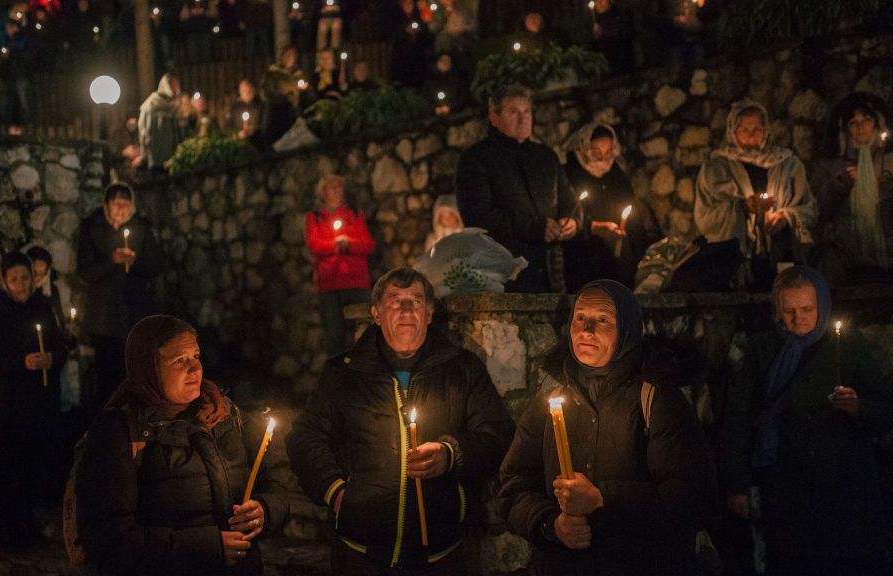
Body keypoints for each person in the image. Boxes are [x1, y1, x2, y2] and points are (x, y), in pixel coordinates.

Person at [287, 268, 515, 574]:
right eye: (395, 300)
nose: (407, 309)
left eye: (416, 301)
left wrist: (450, 455)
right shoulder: (344, 374)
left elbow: (497, 434)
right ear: (376, 314)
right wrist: (335, 491)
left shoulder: (462, 369)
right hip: (362, 553)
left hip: (440, 553)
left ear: (430, 314)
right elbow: (305, 436)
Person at [499, 279, 716, 575]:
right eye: (580, 318)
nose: (587, 331)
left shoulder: (656, 398)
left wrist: (603, 498)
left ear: (626, 330)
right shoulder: (551, 397)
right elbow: (514, 483)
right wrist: (552, 525)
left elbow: (692, 498)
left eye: (602, 320)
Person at [75, 315, 292, 575]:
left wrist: (264, 511)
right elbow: (109, 538)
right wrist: (208, 547)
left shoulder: (223, 413)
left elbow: (274, 482)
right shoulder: (120, 431)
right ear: (148, 368)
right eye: (179, 360)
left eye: (196, 357)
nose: (195, 369)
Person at [721, 266, 893, 575]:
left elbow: (884, 408)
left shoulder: (849, 347)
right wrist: (737, 484)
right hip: (788, 492)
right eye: (789, 310)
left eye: (807, 309)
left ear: (822, 306)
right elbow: (739, 417)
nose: (798, 318)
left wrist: (858, 408)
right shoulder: (765, 350)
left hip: (845, 493)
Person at [0, 252, 68, 544]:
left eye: (25, 277)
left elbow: (59, 345)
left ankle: (28, 521)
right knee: (4, 465)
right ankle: (4, 525)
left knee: (31, 463)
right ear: (3, 280)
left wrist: (52, 358)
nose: (21, 284)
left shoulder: (41, 306)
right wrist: (20, 363)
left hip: (36, 403)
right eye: (14, 279)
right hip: (3, 405)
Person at [456, 84, 578, 293]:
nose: (523, 119)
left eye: (527, 112)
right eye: (513, 112)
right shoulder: (476, 159)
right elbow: (478, 215)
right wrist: (535, 227)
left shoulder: (545, 156)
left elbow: (570, 200)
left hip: (553, 270)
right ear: (494, 117)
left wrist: (573, 221)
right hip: (507, 273)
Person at [695, 100, 816, 291]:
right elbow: (705, 217)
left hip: (781, 256)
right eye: (744, 129)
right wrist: (743, 208)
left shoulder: (788, 164)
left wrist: (785, 217)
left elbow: (809, 208)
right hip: (735, 262)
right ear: (733, 131)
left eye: (757, 129)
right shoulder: (716, 168)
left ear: (766, 130)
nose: (751, 135)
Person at [76, 183, 166, 417]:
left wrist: (135, 261)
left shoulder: (142, 228)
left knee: (135, 370)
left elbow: (156, 265)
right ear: (106, 206)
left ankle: (136, 418)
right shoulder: (91, 227)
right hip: (104, 318)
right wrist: (112, 261)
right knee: (108, 372)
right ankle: (108, 420)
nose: (121, 210)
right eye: (117, 205)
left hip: (134, 313)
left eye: (126, 205)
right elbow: (85, 271)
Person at [562, 123, 661, 291]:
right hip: (581, 256)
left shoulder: (616, 175)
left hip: (618, 256)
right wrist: (593, 227)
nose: (603, 159)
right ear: (583, 147)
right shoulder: (567, 175)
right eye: (596, 152)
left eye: (608, 152)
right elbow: (567, 214)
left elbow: (631, 209)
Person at [812, 92, 893, 286]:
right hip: (847, 262)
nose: (861, 127)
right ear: (845, 130)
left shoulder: (890, 162)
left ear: (877, 122)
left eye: (866, 119)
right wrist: (840, 185)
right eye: (853, 123)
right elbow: (815, 210)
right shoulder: (830, 167)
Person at [304, 174, 376, 357]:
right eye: (331, 187)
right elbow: (314, 245)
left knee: (365, 332)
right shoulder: (315, 217)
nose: (336, 191)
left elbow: (368, 244)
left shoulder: (354, 214)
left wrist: (349, 243)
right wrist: (334, 245)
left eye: (339, 187)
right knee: (334, 337)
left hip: (356, 282)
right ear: (322, 192)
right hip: (330, 285)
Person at [138, 72, 184, 173]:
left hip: (173, 155)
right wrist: (144, 155)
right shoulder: (151, 104)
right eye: (172, 85)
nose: (174, 88)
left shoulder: (177, 105)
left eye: (176, 85)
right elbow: (143, 131)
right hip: (156, 155)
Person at [590, 0, 637, 73]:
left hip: (624, 64)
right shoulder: (597, 19)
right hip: (607, 67)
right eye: (596, 1)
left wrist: (603, 33)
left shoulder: (621, 13)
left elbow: (626, 34)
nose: (599, 3)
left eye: (602, 0)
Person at [227, 79, 265, 145]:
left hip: (258, 142)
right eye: (244, 91)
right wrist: (238, 133)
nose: (247, 93)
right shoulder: (235, 107)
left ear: (253, 90)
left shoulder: (261, 105)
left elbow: (265, 125)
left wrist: (254, 130)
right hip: (239, 142)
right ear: (240, 92)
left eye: (249, 91)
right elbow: (229, 126)